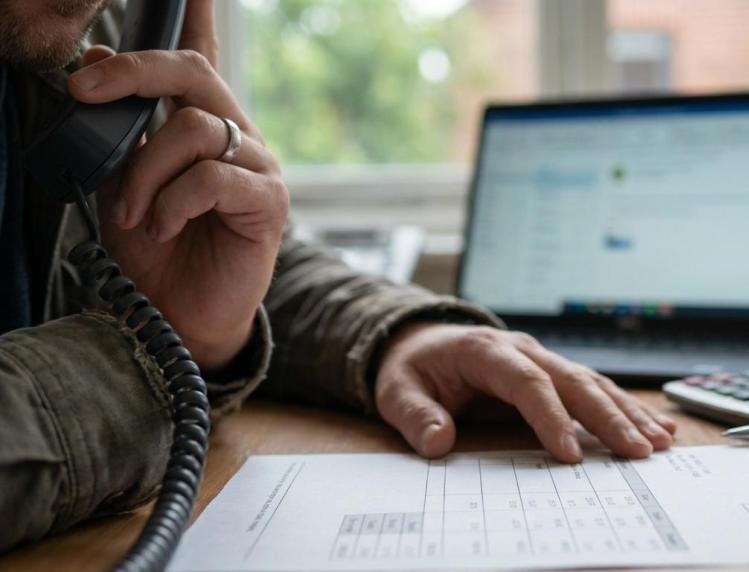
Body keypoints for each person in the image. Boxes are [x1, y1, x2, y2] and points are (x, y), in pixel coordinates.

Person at [0, 0, 678, 553]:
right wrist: (156, 358)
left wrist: (396, 337)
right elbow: (162, 325)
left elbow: (211, 259)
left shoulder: (78, 32)